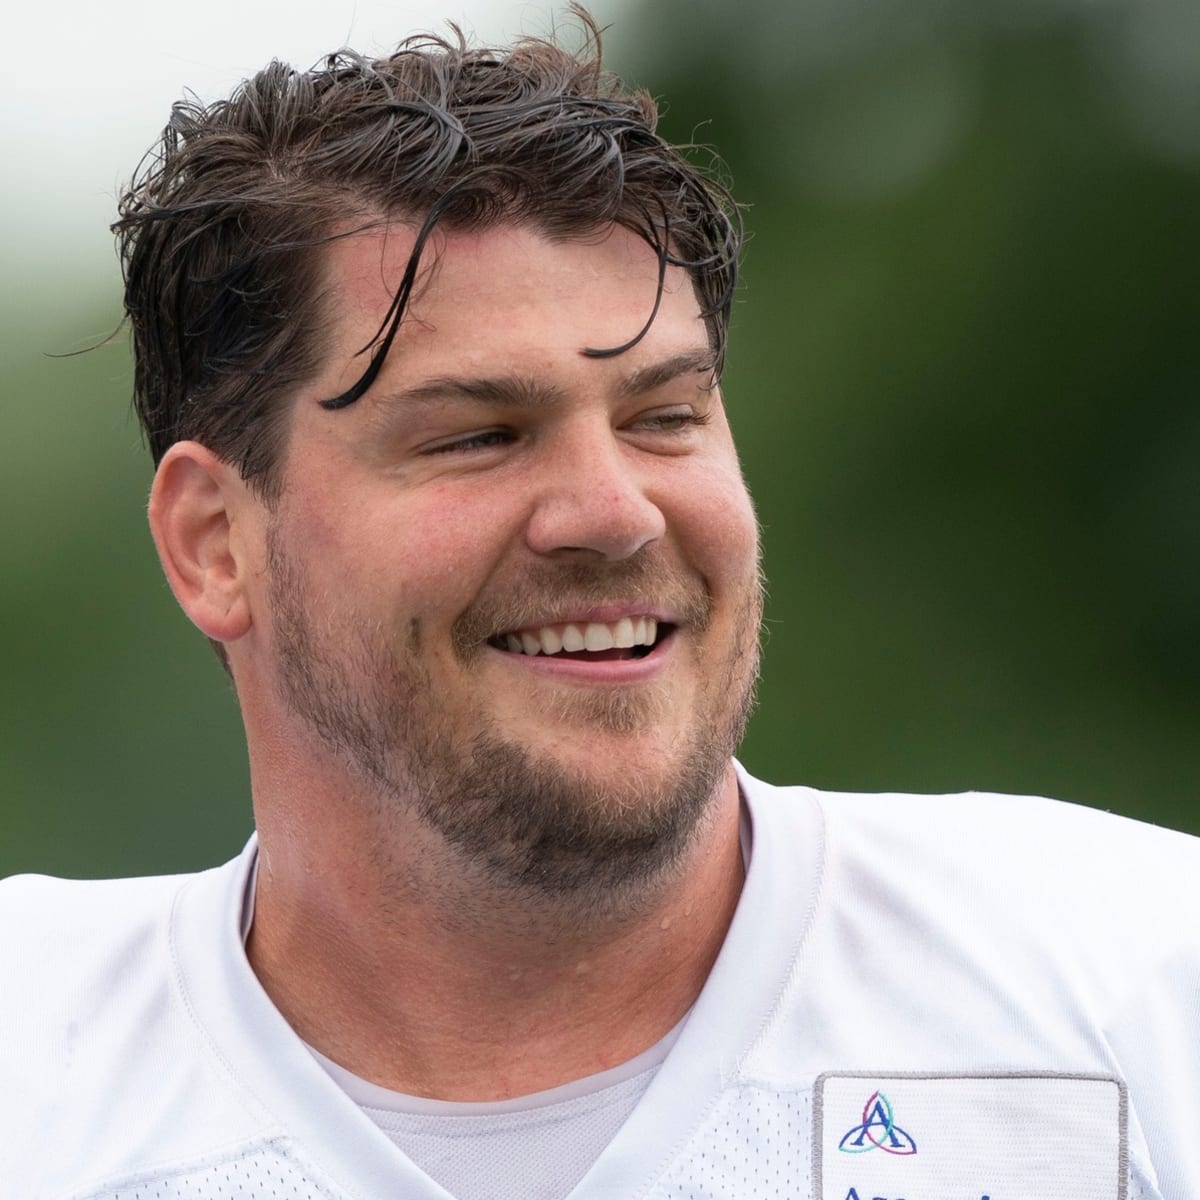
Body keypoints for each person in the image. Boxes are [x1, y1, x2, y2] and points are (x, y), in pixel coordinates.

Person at [1, 12, 1197, 1200]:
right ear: (216, 545)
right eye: (477, 434)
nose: (614, 512)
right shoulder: (33, 1082)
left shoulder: (1130, 983)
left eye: (665, 416)